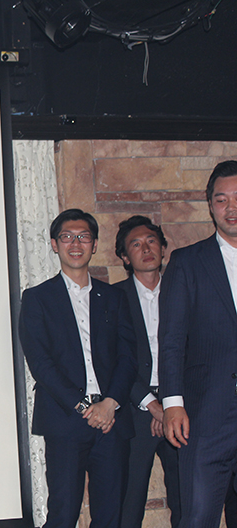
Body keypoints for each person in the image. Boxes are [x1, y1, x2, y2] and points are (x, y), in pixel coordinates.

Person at [19, 208, 136, 528]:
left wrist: (109, 404)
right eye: (67, 237)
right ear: (54, 244)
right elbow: (40, 363)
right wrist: (85, 407)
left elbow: (128, 356)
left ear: (94, 244)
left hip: (112, 420)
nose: (75, 243)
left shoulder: (114, 297)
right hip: (66, 420)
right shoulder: (37, 298)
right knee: (63, 514)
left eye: (83, 237)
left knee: (111, 516)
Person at [160, 160, 237, 528]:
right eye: (221, 200)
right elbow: (171, 339)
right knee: (198, 517)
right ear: (210, 205)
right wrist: (173, 404)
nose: (231, 207)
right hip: (207, 416)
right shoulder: (187, 262)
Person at [113, 215, 180, 528]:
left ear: (163, 248)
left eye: (152, 241)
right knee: (128, 504)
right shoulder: (114, 299)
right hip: (134, 410)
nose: (146, 249)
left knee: (188, 499)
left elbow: (196, 352)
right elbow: (113, 359)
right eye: (136, 244)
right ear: (125, 258)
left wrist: (169, 404)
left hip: (181, 407)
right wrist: (153, 405)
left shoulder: (184, 291)